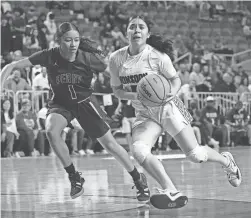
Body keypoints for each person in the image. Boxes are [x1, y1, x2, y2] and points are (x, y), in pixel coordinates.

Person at [0, 22, 150, 201]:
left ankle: (138, 178)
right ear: (59, 41)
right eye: (68, 40)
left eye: (76, 40)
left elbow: (115, 73)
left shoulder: (87, 57)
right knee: (51, 131)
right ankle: (74, 177)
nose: (73, 44)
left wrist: (135, 86)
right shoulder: (49, 55)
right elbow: (11, 66)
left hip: (85, 103)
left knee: (110, 145)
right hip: (60, 104)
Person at [108, 15, 242, 209]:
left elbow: (176, 80)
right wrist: (138, 97)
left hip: (169, 107)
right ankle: (171, 190)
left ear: (148, 33)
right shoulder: (116, 59)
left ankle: (227, 161)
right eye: (132, 27)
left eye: (141, 27)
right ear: (126, 32)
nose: (136, 30)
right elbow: (117, 90)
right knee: (138, 150)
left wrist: (165, 95)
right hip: (145, 114)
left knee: (195, 155)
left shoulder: (157, 56)